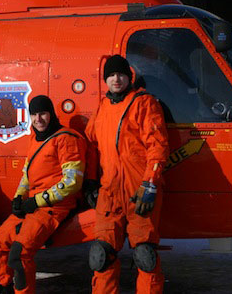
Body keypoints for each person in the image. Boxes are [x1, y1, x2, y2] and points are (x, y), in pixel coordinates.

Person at [85, 55, 169, 294]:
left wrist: (150, 184)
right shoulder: (102, 108)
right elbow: (91, 145)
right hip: (109, 192)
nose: (116, 79)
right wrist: (90, 181)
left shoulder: (144, 103)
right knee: (101, 256)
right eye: (111, 75)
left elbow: (158, 146)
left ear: (129, 76)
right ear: (105, 80)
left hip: (139, 192)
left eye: (121, 74)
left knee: (145, 255)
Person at [0, 95, 87, 294]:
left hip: (54, 206)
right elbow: (27, 172)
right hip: (33, 205)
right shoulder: (35, 138)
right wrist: (19, 196)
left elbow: (72, 182)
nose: (38, 119)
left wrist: (38, 200)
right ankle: (4, 286)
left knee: (20, 252)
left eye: (42, 113)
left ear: (51, 114)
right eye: (34, 114)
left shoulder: (66, 139)